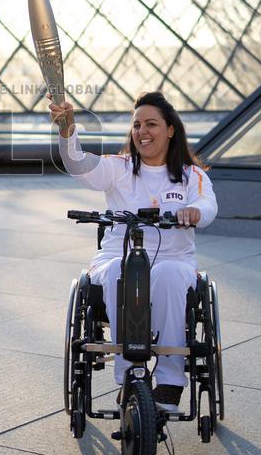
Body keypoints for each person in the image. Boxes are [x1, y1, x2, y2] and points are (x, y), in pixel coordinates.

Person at [49, 91, 217, 411]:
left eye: (151, 124)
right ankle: (128, 372)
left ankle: (170, 382)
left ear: (170, 129)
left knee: (168, 275)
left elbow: (207, 204)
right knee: (118, 270)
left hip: (173, 259)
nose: (142, 131)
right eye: (137, 125)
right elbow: (77, 164)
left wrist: (195, 212)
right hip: (116, 254)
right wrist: (67, 130)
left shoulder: (191, 175)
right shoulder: (119, 168)